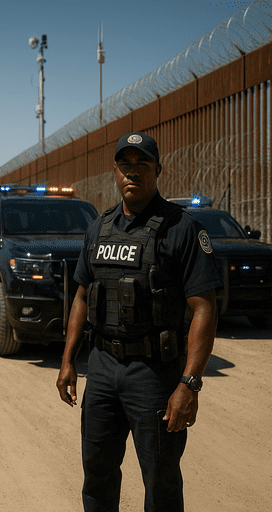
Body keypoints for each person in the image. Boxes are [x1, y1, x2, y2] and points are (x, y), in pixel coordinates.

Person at [56, 132, 223, 511]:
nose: (132, 173)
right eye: (124, 165)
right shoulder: (98, 229)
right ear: (115, 172)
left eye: (141, 165)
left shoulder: (181, 229)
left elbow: (204, 309)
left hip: (155, 374)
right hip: (101, 370)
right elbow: (82, 296)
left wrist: (189, 384)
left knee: (160, 482)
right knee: (96, 475)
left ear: (157, 170)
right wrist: (68, 361)